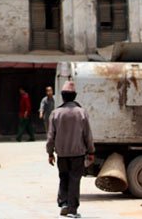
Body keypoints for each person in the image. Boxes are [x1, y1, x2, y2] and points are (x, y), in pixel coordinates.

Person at [46, 81, 95, 218]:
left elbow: (50, 137)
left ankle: (64, 204)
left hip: (61, 154)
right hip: (78, 153)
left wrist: (50, 153)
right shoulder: (81, 113)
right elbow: (88, 135)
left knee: (63, 177)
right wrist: (91, 151)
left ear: (62, 96)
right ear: (75, 96)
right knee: (74, 179)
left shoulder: (55, 113)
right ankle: (72, 210)